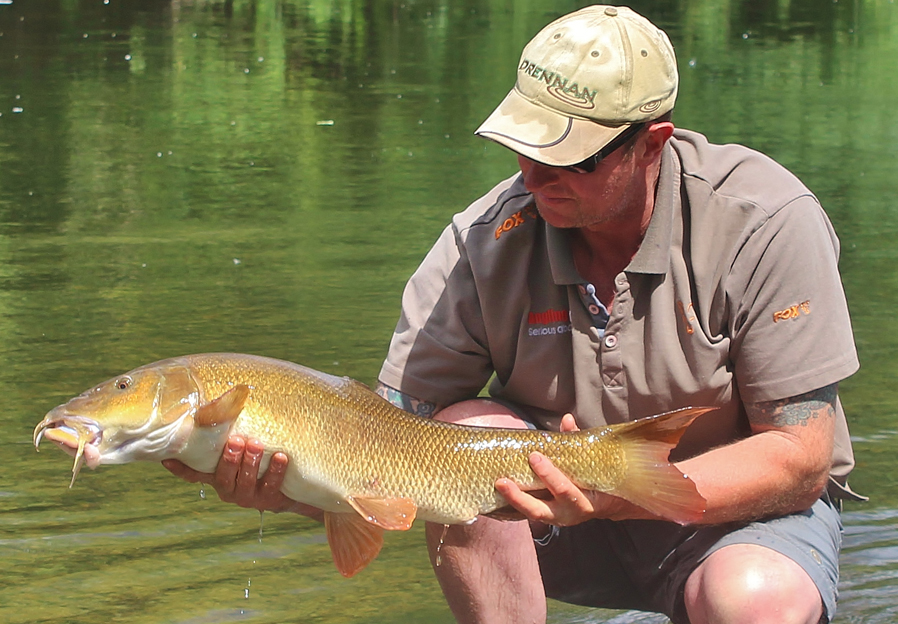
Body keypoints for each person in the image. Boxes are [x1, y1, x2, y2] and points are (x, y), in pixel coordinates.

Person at [164, 5, 863, 623]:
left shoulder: (767, 222)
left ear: (652, 143)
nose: (532, 178)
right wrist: (276, 481)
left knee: (755, 601)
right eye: (526, 148)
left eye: (569, 158)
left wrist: (615, 491)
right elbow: (382, 455)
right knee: (459, 432)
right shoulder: (484, 241)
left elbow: (799, 459)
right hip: (549, 518)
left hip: (732, 519)